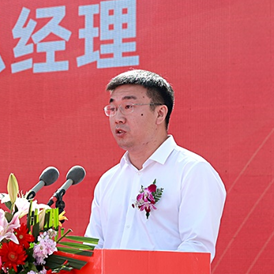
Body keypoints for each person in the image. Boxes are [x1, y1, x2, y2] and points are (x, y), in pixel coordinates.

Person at [85, 69, 226, 260]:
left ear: (160, 114)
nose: (118, 118)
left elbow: (196, 250)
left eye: (128, 106)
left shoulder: (192, 171)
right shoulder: (108, 181)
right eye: (113, 108)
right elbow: (92, 248)